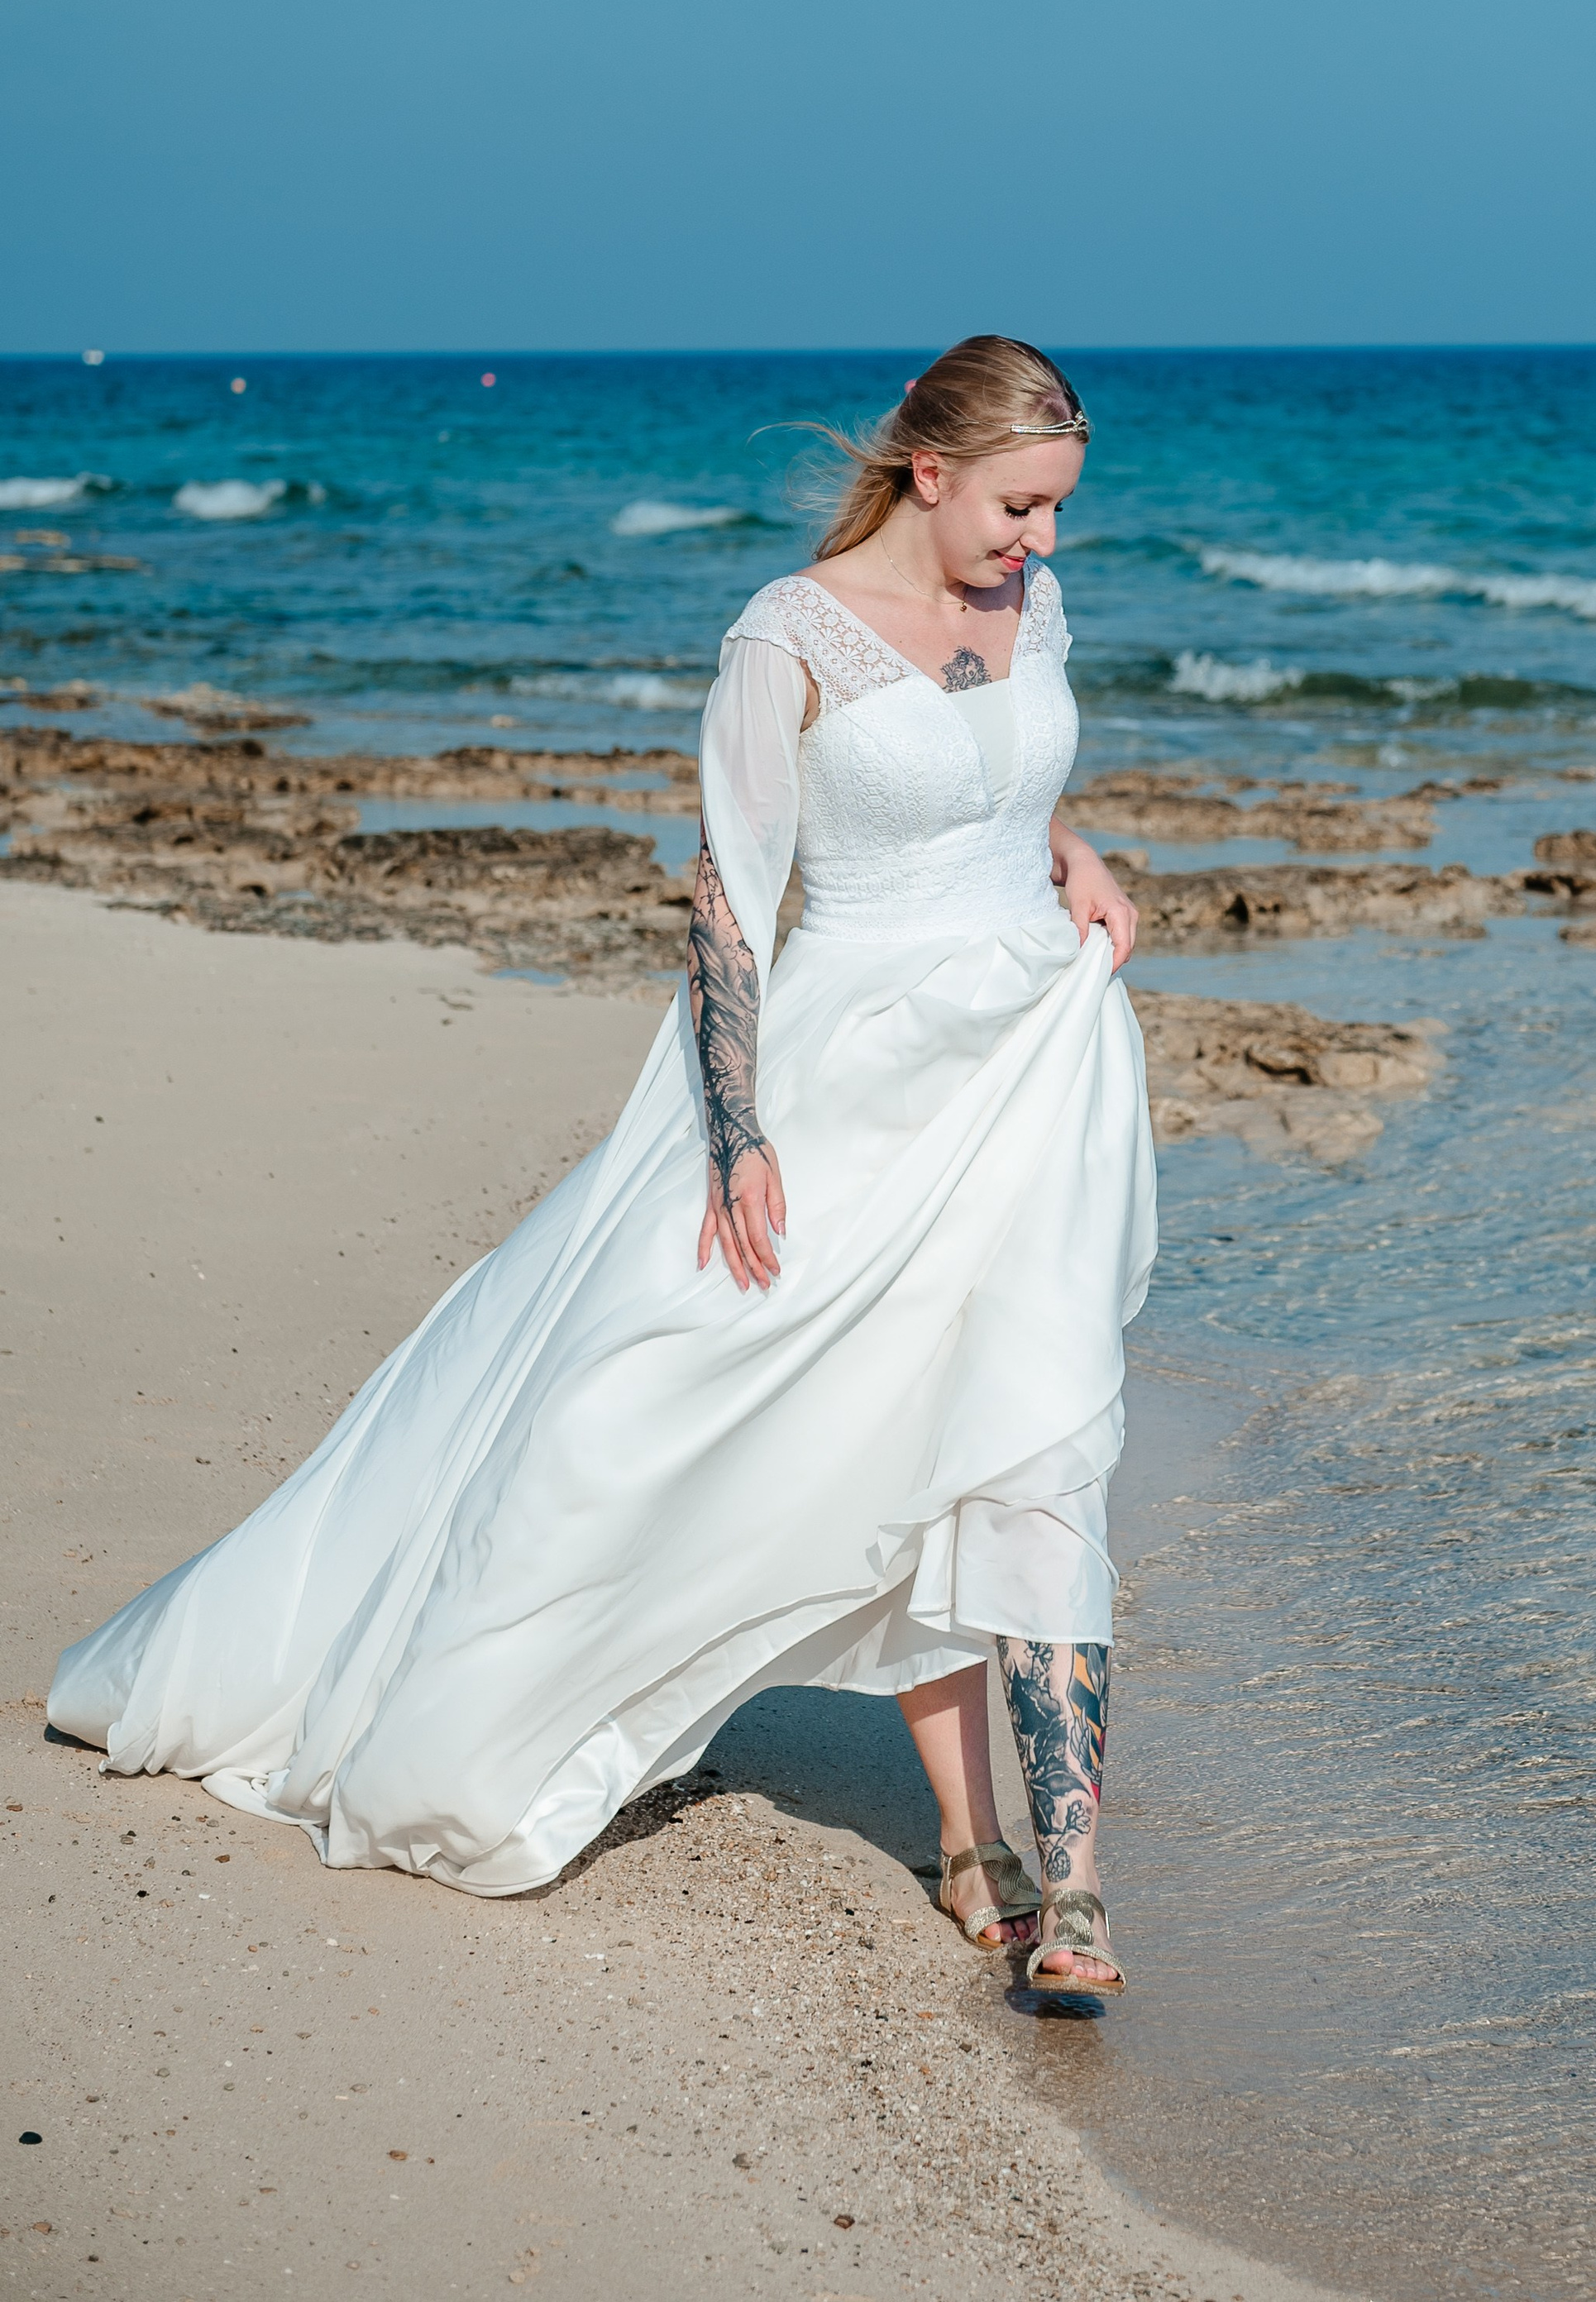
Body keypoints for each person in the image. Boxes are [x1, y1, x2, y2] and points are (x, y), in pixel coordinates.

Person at [50, 335, 1154, 1996]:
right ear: (927, 470)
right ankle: (958, 1831)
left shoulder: (1025, 607)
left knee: (1029, 1422)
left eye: (1055, 511)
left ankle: (1062, 1890)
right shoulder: (787, 639)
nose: (1039, 543)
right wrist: (741, 1129)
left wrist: (1074, 852)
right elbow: (731, 891)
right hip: (852, 1071)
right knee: (733, 1403)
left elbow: (1000, 784)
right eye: (1016, 506)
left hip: (1038, 1061)